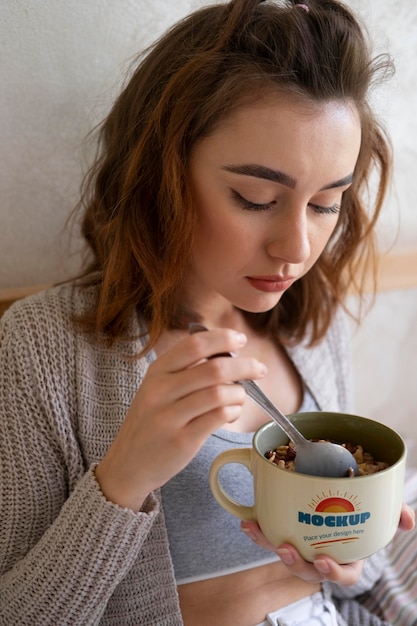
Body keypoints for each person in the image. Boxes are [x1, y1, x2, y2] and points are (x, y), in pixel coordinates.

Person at [0, 0, 415, 624]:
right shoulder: (42, 351)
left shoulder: (311, 325)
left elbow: (348, 573)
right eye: (255, 198)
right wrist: (123, 479)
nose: (296, 249)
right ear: (161, 174)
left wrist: (352, 557)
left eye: (327, 203)